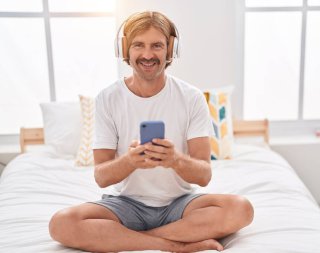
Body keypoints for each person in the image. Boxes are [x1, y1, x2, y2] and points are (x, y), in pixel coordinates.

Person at [49, 11, 254, 253]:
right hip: (125, 204)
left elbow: (204, 176)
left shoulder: (191, 98)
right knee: (61, 224)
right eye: (138, 45)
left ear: (171, 50)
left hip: (180, 205)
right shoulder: (108, 98)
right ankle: (174, 244)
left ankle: (127, 238)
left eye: (157, 45)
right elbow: (102, 177)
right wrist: (129, 161)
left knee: (241, 209)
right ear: (125, 49)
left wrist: (175, 160)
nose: (147, 54)